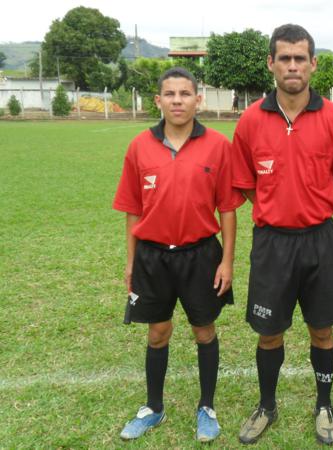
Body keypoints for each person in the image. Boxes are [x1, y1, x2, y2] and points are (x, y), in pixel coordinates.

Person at [231, 23, 333, 445]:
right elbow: (246, 182)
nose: (293, 66)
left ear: (313, 64)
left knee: (322, 329)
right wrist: (275, 209)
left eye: (300, 58)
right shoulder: (250, 121)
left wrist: (317, 208)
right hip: (271, 243)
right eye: (285, 58)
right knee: (268, 331)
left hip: (319, 240)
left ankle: (324, 405)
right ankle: (266, 405)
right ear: (271, 63)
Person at [113, 67, 244, 443]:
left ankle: (207, 407)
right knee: (157, 332)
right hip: (152, 257)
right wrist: (131, 262)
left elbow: (228, 209)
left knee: (204, 330)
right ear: (158, 100)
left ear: (197, 100)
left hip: (201, 255)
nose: (177, 101)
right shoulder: (139, 146)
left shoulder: (218, 145)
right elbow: (132, 209)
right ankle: (153, 407)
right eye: (169, 94)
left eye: (185, 94)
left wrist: (227, 261)